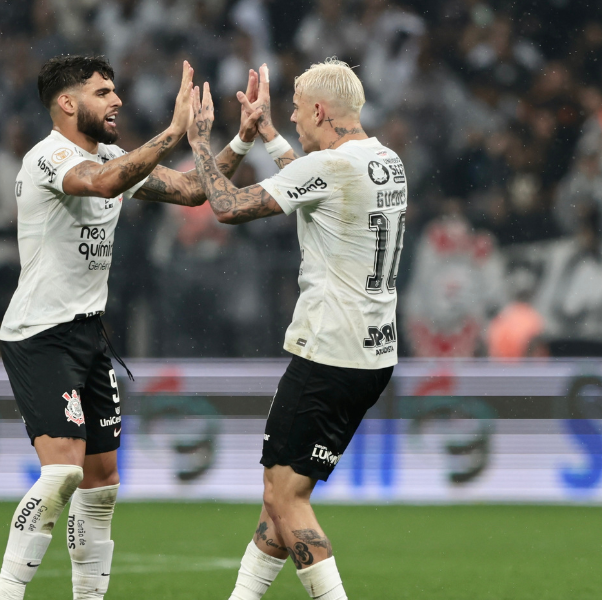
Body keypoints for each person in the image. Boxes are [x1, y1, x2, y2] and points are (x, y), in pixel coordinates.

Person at [0, 55, 260, 600]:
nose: (116, 101)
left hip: (90, 336)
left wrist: (239, 141)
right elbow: (106, 182)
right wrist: (172, 130)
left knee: (102, 484)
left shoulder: (114, 154)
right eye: (103, 92)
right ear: (68, 103)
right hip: (40, 334)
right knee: (62, 474)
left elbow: (191, 192)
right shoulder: (47, 158)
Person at [186, 59, 406, 600]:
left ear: (319, 110)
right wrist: (267, 134)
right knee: (279, 498)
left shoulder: (330, 170)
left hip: (329, 350)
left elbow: (226, 206)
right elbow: (313, 179)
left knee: (286, 500)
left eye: (294, 108)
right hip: (372, 353)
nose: (290, 116)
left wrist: (198, 141)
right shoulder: (385, 161)